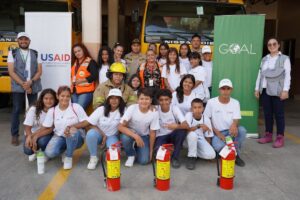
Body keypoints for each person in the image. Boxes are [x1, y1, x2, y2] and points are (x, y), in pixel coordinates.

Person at [68, 89, 125, 169]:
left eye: (117, 98)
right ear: (108, 100)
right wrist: (71, 126)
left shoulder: (124, 110)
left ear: (120, 100)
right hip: (100, 135)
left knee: (112, 159)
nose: (114, 100)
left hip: (113, 136)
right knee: (91, 133)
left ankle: (109, 152)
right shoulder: (101, 109)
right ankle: (93, 157)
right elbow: (87, 123)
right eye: (111, 98)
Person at [255, 37, 291, 148]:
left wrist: (286, 90)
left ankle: (280, 137)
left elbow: (287, 76)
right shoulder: (264, 59)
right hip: (265, 90)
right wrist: (257, 88)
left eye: (274, 44)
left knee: (279, 115)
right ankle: (268, 135)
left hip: (278, 91)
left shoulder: (285, 59)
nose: (272, 46)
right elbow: (260, 75)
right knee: (267, 114)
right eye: (269, 45)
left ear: (278, 45)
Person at [8, 32, 42, 146]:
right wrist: (24, 85)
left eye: (25, 39)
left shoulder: (36, 53)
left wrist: (30, 82)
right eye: (21, 39)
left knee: (33, 110)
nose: (23, 41)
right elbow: (11, 72)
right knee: (17, 109)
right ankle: (14, 135)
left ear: (29, 41)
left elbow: (39, 71)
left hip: (33, 84)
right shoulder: (12, 53)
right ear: (18, 41)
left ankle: (32, 133)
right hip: (18, 85)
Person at [43, 86, 88, 170]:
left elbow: (86, 122)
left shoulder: (76, 107)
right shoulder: (52, 110)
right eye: (62, 96)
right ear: (57, 96)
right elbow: (46, 127)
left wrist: (71, 126)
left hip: (76, 137)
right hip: (59, 136)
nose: (65, 98)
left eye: (67, 96)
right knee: (50, 153)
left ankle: (68, 156)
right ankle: (66, 150)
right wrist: (33, 136)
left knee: (72, 131)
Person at [204, 79, 246, 167]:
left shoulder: (235, 102)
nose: (225, 91)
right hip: (218, 133)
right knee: (218, 146)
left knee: (242, 130)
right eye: (223, 88)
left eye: (228, 88)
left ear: (231, 90)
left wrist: (234, 125)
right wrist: (217, 133)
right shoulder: (211, 102)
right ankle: (228, 151)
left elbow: (236, 118)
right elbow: (207, 119)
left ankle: (236, 155)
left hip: (230, 132)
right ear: (219, 90)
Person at [118, 88, 160, 167]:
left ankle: (137, 147)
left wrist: (151, 151)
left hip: (144, 136)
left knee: (144, 161)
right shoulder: (132, 108)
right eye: (142, 99)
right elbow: (120, 127)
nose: (144, 101)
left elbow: (152, 132)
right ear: (137, 100)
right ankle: (131, 155)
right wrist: (135, 136)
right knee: (125, 137)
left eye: (147, 99)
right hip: (131, 134)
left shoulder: (154, 112)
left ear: (151, 100)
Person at [155, 89, 188, 168]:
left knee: (182, 131)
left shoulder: (174, 108)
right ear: (158, 101)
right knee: (159, 155)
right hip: (161, 136)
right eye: (161, 100)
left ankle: (175, 158)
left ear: (170, 100)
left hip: (173, 135)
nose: (164, 102)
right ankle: (169, 149)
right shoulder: (155, 109)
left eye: (166, 99)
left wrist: (176, 126)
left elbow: (186, 125)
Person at [23, 89, 57, 161]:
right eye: (46, 98)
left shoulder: (55, 110)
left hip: (46, 133)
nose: (48, 101)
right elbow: (27, 126)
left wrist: (35, 137)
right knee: (28, 151)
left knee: (42, 141)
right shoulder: (34, 109)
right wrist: (29, 137)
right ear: (42, 99)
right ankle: (35, 151)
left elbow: (50, 129)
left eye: (51, 98)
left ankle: (44, 152)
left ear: (55, 99)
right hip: (31, 133)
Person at [185, 98, 215, 170]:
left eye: (199, 107)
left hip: (200, 139)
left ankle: (194, 153)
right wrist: (198, 126)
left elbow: (208, 137)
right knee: (193, 135)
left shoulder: (206, 119)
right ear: (191, 109)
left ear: (203, 108)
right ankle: (191, 157)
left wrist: (207, 147)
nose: (197, 110)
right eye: (195, 107)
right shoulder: (189, 115)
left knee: (212, 155)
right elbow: (186, 130)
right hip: (187, 139)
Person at [71, 44, 98, 109]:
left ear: (83, 50)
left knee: (78, 110)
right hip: (74, 92)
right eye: (75, 52)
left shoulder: (90, 61)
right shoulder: (74, 62)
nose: (77, 53)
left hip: (86, 92)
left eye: (79, 51)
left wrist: (82, 80)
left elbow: (95, 76)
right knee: (75, 111)